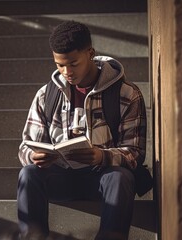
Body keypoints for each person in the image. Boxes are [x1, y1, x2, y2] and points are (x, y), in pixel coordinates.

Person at [17, 20, 147, 239]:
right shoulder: (45, 94)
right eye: (59, 64)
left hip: (102, 179)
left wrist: (101, 156)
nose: (66, 71)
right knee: (28, 173)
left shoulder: (127, 94)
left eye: (73, 63)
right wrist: (34, 155)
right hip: (62, 176)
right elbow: (24, 146)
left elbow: (135, 153)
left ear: (90, 53)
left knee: (121, 177)